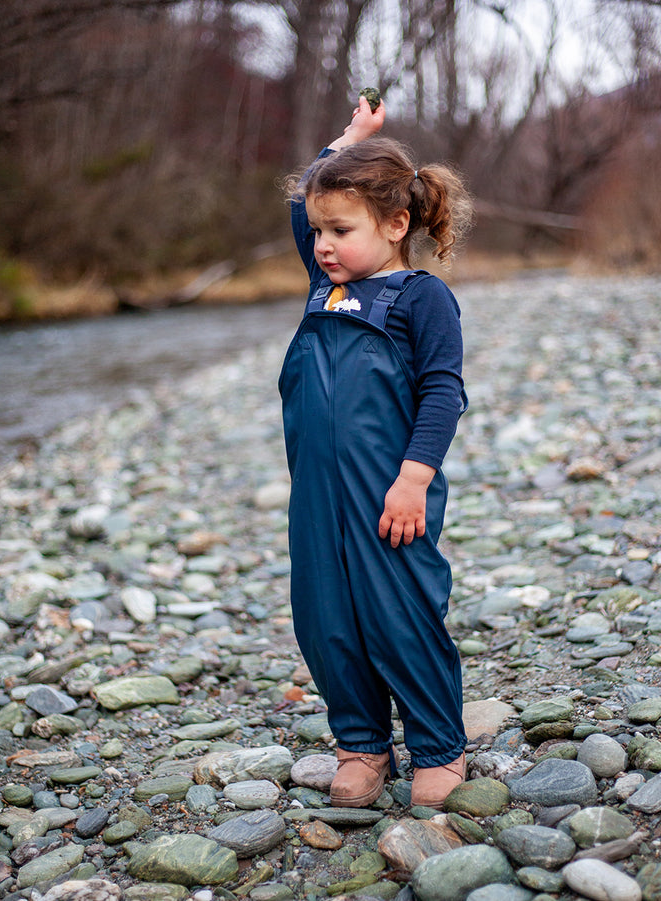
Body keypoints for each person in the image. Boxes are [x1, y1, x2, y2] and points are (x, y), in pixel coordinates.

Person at [279, 95, 473, 810]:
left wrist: (414, 478)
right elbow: (302, 204)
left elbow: (444, 392)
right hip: (317, 494)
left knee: (401, 614)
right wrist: (349, 140)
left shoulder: (421, 299)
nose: (323, 245)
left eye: (341, 230)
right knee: (324, 617)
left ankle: (439, 747)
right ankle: (361, 743)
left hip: (391, 492)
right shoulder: (325, 290)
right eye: (319, 231)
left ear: (395, 226)